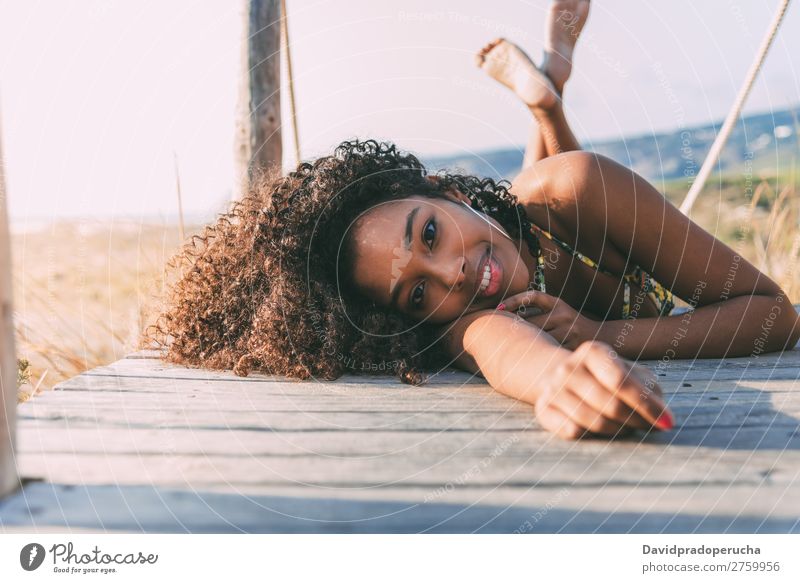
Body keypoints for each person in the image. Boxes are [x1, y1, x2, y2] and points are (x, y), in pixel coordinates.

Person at [147, 0, 800, 440]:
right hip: (518, 220)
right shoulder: (453, 317)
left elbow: (775, 313)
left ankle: (548, 101)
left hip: (566, 214)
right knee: (511, 220)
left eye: (427, 233)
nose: (451, 272)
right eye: (417, 289)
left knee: (549, 189)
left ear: (443, 188)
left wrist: (606, 332)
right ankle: (547, 100)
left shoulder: (581, 187)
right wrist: (554, 375)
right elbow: (494, 344)